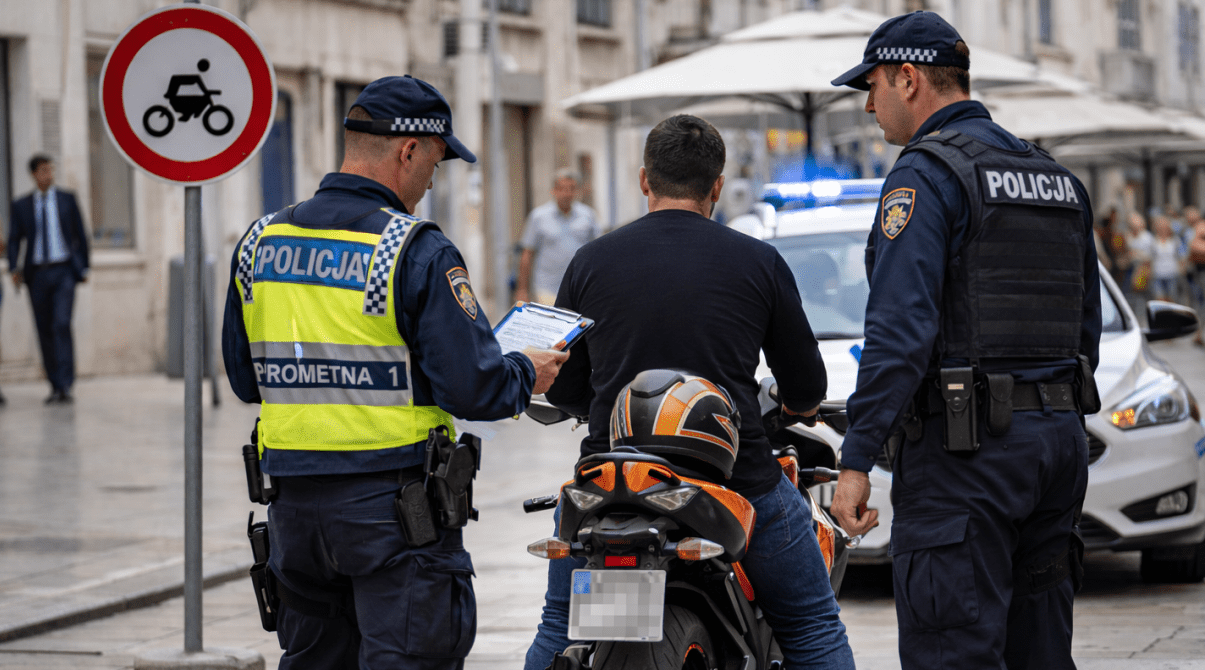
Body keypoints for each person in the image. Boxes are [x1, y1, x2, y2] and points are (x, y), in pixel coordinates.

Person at [221, 75, 568, 670]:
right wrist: (522, 371)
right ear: (409, 150)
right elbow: (472, 388)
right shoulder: (411, 249)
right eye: (435, 161)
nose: (433, 180)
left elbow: (244, 379)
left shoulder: (260, 242)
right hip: (394, 513)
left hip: (294, 514)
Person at [525, 114, 855, 670]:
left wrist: (596, 406)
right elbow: (805, 384)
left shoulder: (590, 261)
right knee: (811, 625)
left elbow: (566, 384)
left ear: (644, 179)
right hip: (738, 480)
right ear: (717, 186)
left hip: (611, 482)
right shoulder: (759, 261)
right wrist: (799, 406)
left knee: (558, 629)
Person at [829, 11, 1100, 670]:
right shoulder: (1054, 178)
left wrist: (856, 460)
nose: (867, 105)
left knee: (952, 651)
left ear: (908, 78)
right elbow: (1085, 327)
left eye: (872, 86)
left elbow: (899, 332)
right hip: (1057, 449)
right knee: (1041, 652)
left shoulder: (925, 176)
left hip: (967, 457)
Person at [8, 154, 90, 404]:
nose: (48, 174)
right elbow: (14, 239)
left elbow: (81, 233)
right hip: (37, 274)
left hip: (64, 271)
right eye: (43, 170)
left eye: (50, 170)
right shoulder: (21, 205)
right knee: (44, 328)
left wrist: (83, 267)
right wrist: (13, 267)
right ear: (34, 174)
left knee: (61, 324)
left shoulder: (67, 199)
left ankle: (66, 384)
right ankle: (54, 384)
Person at [515, 170, 600, 304]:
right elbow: (527, 254)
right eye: (562, 189)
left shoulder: (588, 216)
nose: (566, 193)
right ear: (553, 191)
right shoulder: (538, 217)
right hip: (547, 288)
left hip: (580, 287)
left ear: (577, 191)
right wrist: (522, 290)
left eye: (571, 189)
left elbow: (598, 251)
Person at [1150, 214, 1184, 302]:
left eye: (1164, 225)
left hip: (1172, 274)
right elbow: (1150, 257)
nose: (1162, 227)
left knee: (1172, 300)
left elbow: (1181, 256)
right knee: (1160, 300)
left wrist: (1181, 269)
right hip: (1157, 274)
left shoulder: (1175, 240)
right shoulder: (1153, 241)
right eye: (1160, 225)